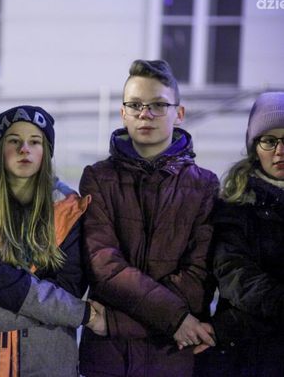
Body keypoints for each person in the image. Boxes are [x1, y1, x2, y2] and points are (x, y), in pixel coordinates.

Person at [78, 59, 220, 377]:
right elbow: (103, 267)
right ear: (123, 112)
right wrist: (175, 319)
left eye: (158, 105)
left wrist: (115, 323)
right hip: (109, 361)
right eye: (136, 105)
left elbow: (199, 277)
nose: (145, 114)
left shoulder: (205, 186)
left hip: (172, 357)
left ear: (179, 113)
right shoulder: (97, 178)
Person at [0, 105, 107, 377]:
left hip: (50, 361)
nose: (24, 149)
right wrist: (81, 314)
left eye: (35, 142)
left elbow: (69, 289)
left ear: (47, 151)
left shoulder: (69, 208)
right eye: (14, 141)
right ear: (0, 150)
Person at [193, 92, 284, 377]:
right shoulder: (235, 205)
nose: (280, 151)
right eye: (269, 140)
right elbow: (235, 275)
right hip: (248, 356)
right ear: (254, 147)